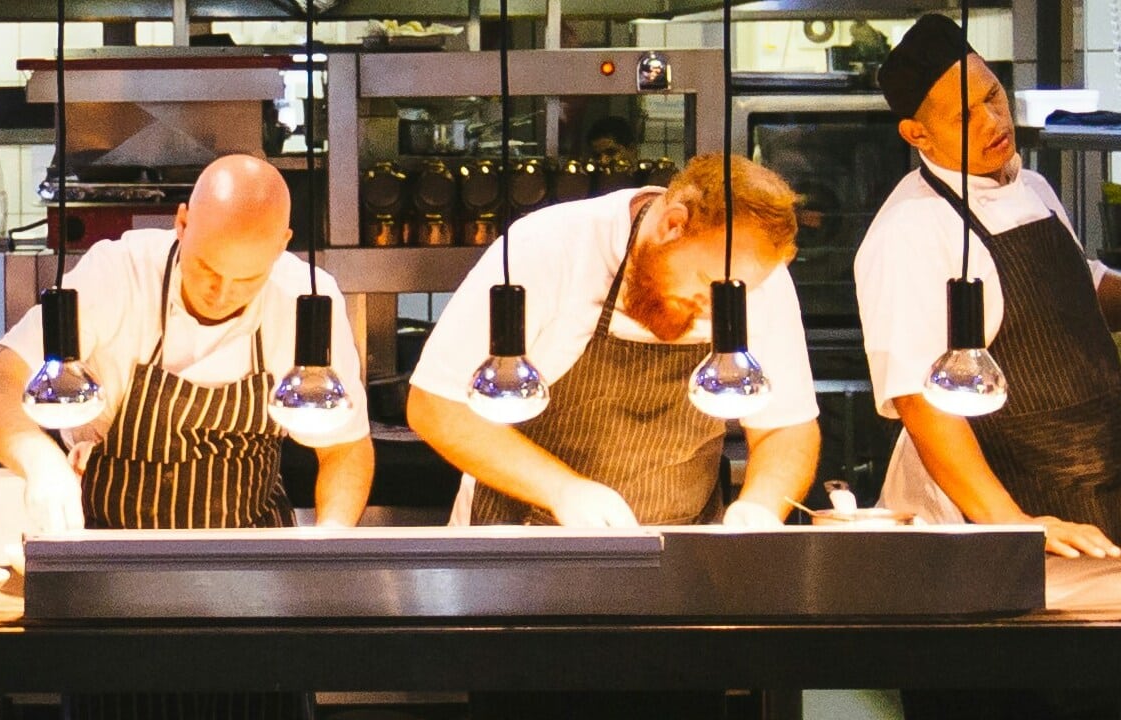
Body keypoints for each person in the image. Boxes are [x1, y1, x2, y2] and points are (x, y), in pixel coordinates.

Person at [0, 154, 374, 719]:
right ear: (181, 223)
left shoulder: (307, 300)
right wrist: (44, 464)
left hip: (255, 595)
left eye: (246, 279)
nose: (222, 292)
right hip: (115, 593)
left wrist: (327, 545)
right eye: (206, 268)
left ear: (282, 247)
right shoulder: (116, 274)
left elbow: (346, 449)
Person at [407, 152, 818, 718]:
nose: (715, 307)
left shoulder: (752, 277)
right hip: (526, 586)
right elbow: (435, 403)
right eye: (707, 284)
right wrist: (565, 491)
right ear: (673, 222)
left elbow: (788, 428)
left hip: (680, 588)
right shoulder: (550, 247)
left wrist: (761, 509)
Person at [856, 13, 1121, 561]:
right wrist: (1015, 524)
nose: (992, 121)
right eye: (964, 116)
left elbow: (1080, 290)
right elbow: (920, 400)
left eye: (993, 96)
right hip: (994, 512)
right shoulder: (910, 229)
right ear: (916, 133)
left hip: (1090, 483)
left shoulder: (1033, 186)